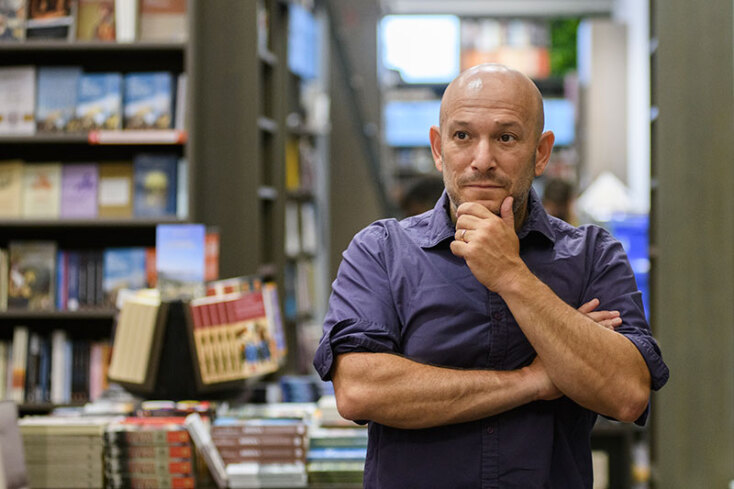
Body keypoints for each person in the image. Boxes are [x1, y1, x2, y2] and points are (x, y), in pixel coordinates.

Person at [313, 63, 668, 488]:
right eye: (463, 136)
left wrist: (512, 275)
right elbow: (359, 391)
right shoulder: (381, 252)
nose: (482, 161)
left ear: (541, 153)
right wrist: (534, 380)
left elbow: (627, 395)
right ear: (438, 148)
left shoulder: (592, 255)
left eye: (506, 138)